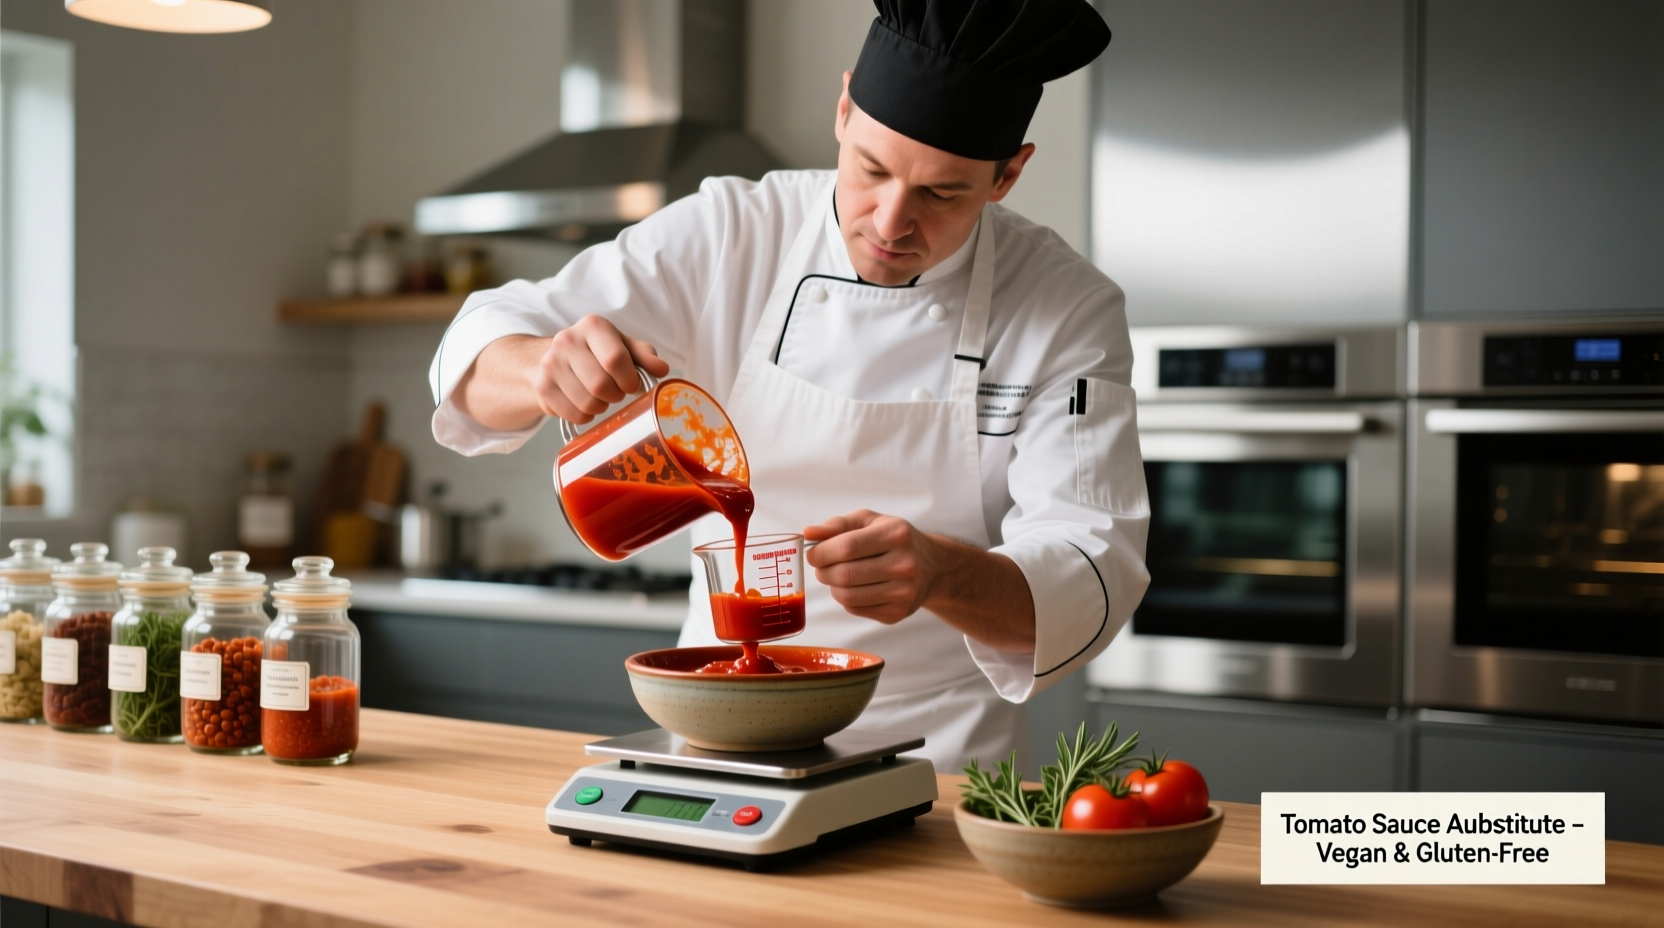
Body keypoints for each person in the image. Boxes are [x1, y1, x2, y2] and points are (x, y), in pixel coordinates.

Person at [429, 0, 1149, 771]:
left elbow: (1095, 567)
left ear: (1008, 173)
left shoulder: (1065, 307)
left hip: (936, 762)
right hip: (717, 731)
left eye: (942, 194)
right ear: (843, 111)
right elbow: (475, 352)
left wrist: (944, 572)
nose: (891, 221)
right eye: (871, 170)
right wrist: (542, 367)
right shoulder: (732, 232)